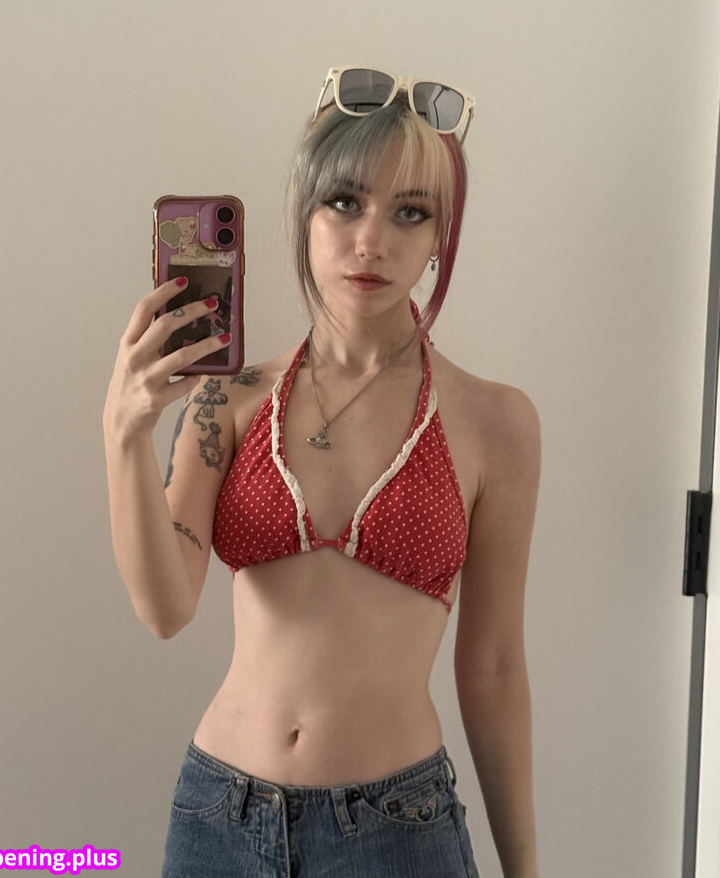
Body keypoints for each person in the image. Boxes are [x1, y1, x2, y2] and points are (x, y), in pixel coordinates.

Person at [103, 66, 542, 878]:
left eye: (410, 212)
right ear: (304, 211)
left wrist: (526, 870)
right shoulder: (229, 400)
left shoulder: (495, 422)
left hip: (397, 832)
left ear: (440, 238)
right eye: (344, 202)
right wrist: (123, 433)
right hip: (218, 818)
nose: (371, 240)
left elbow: (493, 667)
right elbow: (165, 610)